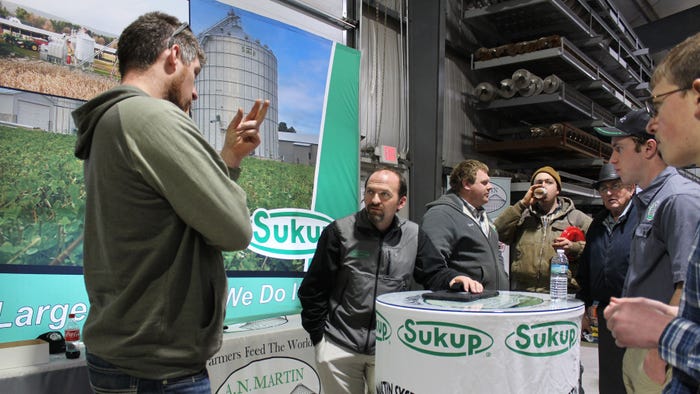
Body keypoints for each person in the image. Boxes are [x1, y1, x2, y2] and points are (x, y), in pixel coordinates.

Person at [71, 12, 269, 392]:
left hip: (125, 357)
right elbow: (235, 229)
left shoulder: (112, 119)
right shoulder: (151, 116)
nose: (195, 92)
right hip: (157, 371)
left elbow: (172, 214)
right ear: (173, 55)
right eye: (194, 73)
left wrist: (227, 160)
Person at [297, 167, 474, 394]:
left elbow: (433, 273)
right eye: (370, 192)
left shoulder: (414, 235)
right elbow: (313, 288)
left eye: (384, 195)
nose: (375, 200)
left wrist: (453, 278)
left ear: (401, 202)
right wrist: (319, 338)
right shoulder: (339, 232)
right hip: (338, 345)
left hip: (389, 347)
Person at [605, 32, 700, 393]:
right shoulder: (649, 201)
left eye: (658, 107)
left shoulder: (680, 200)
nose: (654, 124)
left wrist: (663, 343)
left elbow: (683, 284)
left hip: (664, 353)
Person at [575, 163, 638, 394]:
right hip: (606, 311)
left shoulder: (644, 217)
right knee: (610, 375)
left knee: (638, 376)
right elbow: (586, 266)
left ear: (631, 188)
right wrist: (583, 302)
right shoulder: (598, 223)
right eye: (604, 188)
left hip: (637, 310)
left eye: (615, 186)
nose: (609, 193)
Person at [494, 166, 592, 293]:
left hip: (561, 293)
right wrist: (522, 204)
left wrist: (574, 247)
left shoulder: (576, 218)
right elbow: (497, 232)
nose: (543, 185)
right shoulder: (522, 216)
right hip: (524, 292)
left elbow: (598, 249)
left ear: (557, 190)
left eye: (549, 182)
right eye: (539, 182)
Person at [421, 159, 509, 291]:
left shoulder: (482, 216)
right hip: (465, 305)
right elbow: (430, 264)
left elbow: (497, 255)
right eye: (484, 183)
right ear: (467, 184)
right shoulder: (441, 214)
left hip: (492, 302)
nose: (490, 186)